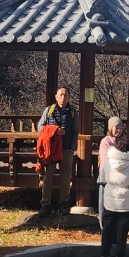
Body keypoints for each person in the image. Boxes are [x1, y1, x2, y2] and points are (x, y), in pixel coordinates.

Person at [99, 129, 129, 257]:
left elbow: (103, 178)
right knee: (122, 230)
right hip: (126, 201)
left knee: (107, 228)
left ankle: (104, 254)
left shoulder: (107, 162)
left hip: (110, 199)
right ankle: (120, 256)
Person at [37, 86, 78, 214]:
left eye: (65, 95)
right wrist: (55, 130)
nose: (63, 97)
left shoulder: (73, 112)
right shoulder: (49, 110)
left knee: (65, 178)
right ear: (56, 97)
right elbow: (40, 127)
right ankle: (46, 204)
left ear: (69, 97)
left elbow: (75, 131)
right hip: (51, 149)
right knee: (47, 177)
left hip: (66, 149)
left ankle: (64, 204)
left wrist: (72, 148)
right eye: (60, 95)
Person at [96, 116, 123, 227]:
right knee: (104, 203)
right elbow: (105, 159)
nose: (118, 130)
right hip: (106, 176)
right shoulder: (105, 141)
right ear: (110, 128)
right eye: (116, 128)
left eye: (120, 128)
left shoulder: (123, 141)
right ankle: (103, 227)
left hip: (119, 177)